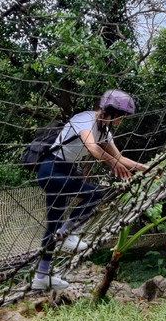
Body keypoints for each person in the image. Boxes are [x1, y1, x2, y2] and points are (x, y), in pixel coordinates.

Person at [33, 90, 148, 291]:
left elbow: (120, 158)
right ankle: (68, 233)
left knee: (53, 226)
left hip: (65, 171)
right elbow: (93, 149)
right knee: (94, 194)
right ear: (112, 111)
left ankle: (41, 276)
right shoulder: (84, 119)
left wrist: (147, 169)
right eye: (122, 115)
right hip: (51, 169)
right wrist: (112, 162)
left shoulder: (104, 131)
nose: (123, 120)